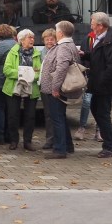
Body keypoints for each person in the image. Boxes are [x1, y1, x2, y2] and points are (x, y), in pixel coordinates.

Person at [80, 12, 112, 157]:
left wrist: (101, 82)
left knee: (102, 114)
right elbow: (98, 57)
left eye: (92, 23)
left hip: (104, 85)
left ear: (100, 25)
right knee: (96, 111)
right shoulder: (100, 38)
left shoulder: (111, 41)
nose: (90, 26)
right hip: (96, 82)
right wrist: (85, 54)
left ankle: (108, 146)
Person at [39, 20, 78, 159]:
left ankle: (60, 149)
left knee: (57, 118)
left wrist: (55, 87)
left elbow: (61, 68)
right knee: (60, 117)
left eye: (56, 30)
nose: (55, 33)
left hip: (56, 89)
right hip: (57, 87)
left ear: (60, 33)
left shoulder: (63, 46)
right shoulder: (67, 45)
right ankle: (68, 145)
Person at [2, 29, 40, 151]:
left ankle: (27, 142)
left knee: (30, 116)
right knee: (13, 115)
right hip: (14, 87)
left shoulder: (37, 53)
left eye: (33, 38)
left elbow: (39, 71)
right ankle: (14, 140)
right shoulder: (12, 52)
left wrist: (31, 76)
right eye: (29, 37)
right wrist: (22, 74)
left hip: (31, 87)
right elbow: (7, 70)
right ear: (21, 40)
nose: (32, 40)